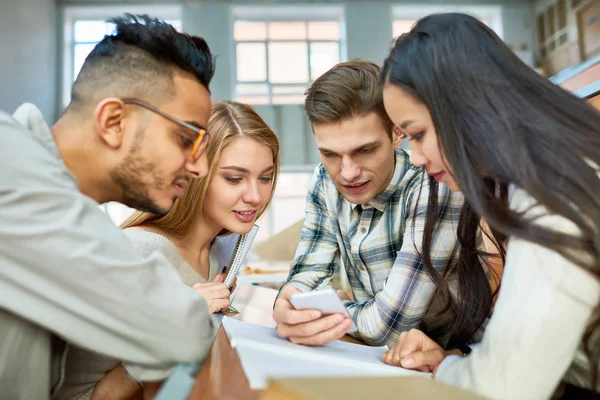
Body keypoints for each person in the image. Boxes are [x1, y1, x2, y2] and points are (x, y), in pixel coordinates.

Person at [380, 13, 600, 399]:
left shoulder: (552, 191)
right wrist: (449, 363)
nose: (414, 158)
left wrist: (448, 368)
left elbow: (507, 388)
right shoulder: (545, 167)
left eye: (417, 134)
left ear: (463, 104)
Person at [0, 14, 218, 399]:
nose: (200, 166)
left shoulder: (58, 194)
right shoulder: (14, 171)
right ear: (113, 120)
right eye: (186, 139)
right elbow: (178, 331)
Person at [56, 100, 280, 400]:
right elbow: (83, 396)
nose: (256, 196)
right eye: (234, 178)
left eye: (265, 178)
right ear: (194, 175)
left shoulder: (221, 252)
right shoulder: (139, 253)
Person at [273, 59, 465, 348]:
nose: (347, 172)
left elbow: (387, 328)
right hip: (372, 358)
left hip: (444, 364)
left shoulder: (435, 184)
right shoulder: (325, 180)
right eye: (330, 154)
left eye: (364, 150)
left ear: (397, 132)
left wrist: (324, 311)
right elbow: (308, 270)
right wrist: (287, 303)